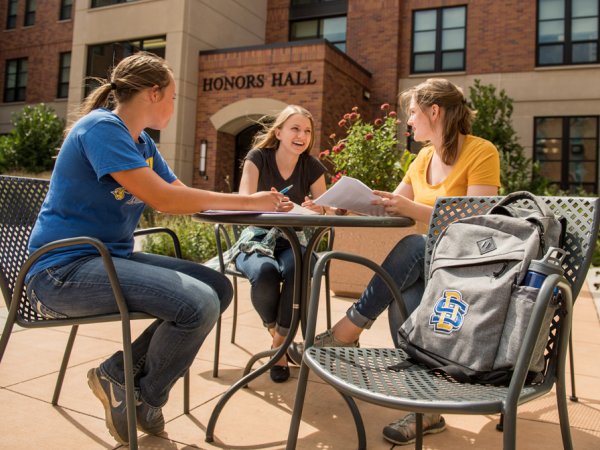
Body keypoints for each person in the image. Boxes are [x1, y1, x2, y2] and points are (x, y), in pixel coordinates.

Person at [25, 52, 282, 445]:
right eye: (174, 96)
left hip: (106, 260)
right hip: (60, 274)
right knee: (197, 304)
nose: (176, 104)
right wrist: (252, 203)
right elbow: (164, 199)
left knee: (218, 287)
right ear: (154, 92)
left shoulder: (141, 141)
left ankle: (121, 377)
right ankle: (145, 396)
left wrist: (252, 202)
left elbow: (178, 191)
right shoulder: (101, 129)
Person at [312, 78, 500, 445]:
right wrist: (356, 205)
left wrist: (411, 208)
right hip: (432, 268)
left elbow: (479, 223)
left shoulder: (481, 152)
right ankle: (425, 409)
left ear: (435, 111)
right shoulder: (423, 158)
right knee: (407, 295)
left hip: (467, 270)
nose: (408, 122)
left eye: (412, 112)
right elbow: (395, 205)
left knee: (414, 244)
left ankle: (347, 330)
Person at [235, 105, 327, 383]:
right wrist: (267, 202)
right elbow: (243, 200)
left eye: (307, 131)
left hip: (294, 239)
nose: (302, 135)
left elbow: (326, 207)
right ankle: (280, 336)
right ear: (279, 132)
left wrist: (317, 207)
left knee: (299, 267)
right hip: (257, 238)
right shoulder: (258, 157)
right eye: (295, 128)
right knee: (265, 273)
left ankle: (278, 347)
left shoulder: (311, 166)